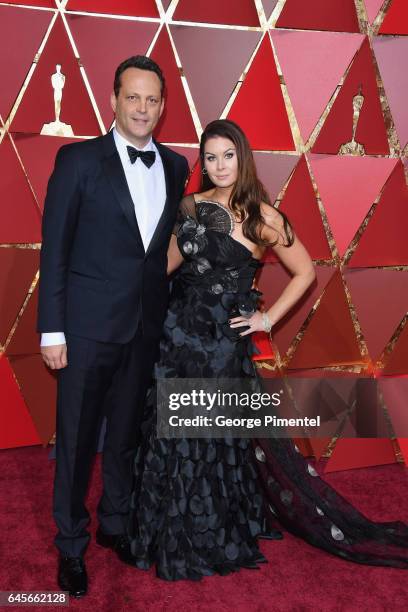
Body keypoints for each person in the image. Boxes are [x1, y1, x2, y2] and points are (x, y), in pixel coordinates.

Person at [127, 119, 408, 581]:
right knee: (170, 432)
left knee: (210, 437)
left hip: (221, 345)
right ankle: (164, 529)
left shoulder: (264, 217)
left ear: (243, 157)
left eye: (228, 155)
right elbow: (163, 269)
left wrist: (266, 319)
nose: (219, 165)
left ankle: (209, 532)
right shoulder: (190, 206)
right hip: (175, 338)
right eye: (211, 156)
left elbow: (305, 273)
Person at [37, 55, 189, 598]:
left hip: (145, 328)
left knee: (125, 438)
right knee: (77, 445)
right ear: (114, 99)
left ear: (163, 106)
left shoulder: (175, 167)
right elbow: (54, 251)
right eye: (133, 97)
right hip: (84, 330)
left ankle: (116, 525)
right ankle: (71, 546)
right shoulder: (76, 160)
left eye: (152, 100)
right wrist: (51, 332)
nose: (143, 108)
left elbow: (161, 251)